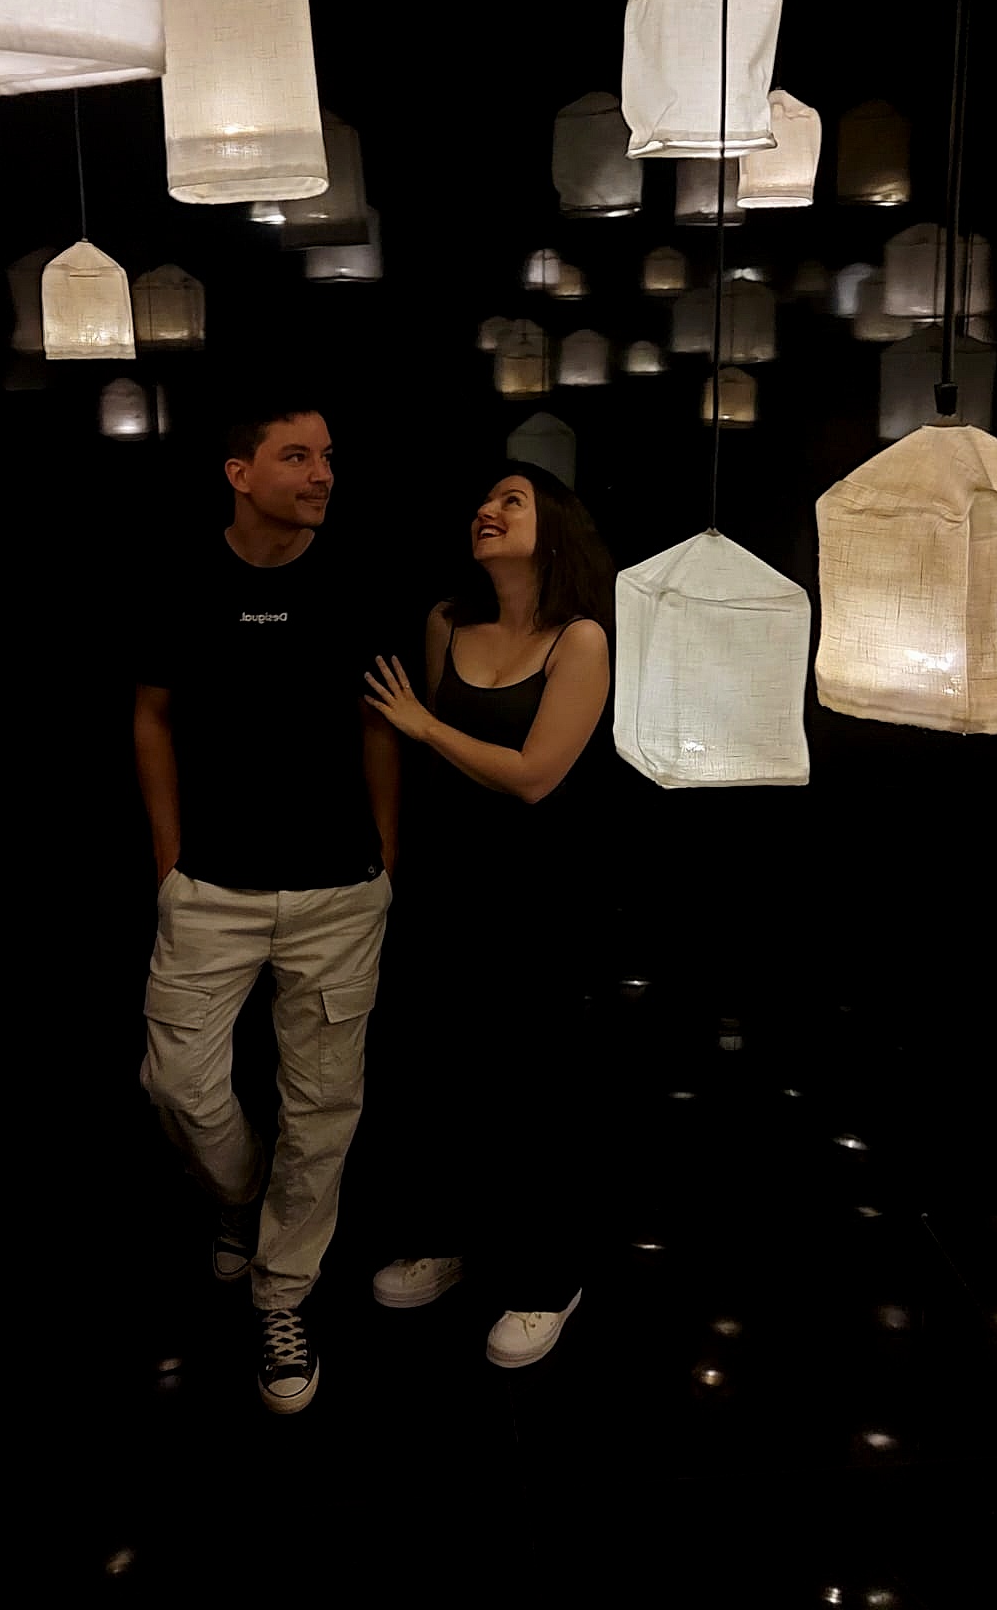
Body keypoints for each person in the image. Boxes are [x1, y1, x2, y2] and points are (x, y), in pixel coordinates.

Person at [132, 402, 399, 1414]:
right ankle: (241, 1199)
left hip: (338, 891)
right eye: (298, 456)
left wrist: (385, 852)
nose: (323, 473)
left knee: (322, 1107)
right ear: (239, 472)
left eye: (328, 456)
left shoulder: (356, 579)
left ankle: (282, 1293)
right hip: (211, 888)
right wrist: (169, 857)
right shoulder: (180, 576)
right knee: (178, 1085)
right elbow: (152, 716)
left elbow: (378, 721)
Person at [361, 460, 613, 1369]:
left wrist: (424, 724)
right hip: (447, 885)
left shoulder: (579, 639)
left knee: (533, 1087)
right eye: (485, 500)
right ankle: (445, 1239)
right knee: (438, 1068)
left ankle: (549, 1279)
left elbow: (535, 776)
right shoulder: (447, 624)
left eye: (513, 501)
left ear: (557, 530)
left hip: (537, 897)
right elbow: (438, 774)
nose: (488, 510)